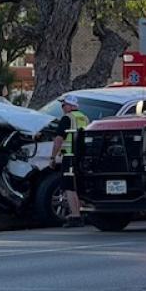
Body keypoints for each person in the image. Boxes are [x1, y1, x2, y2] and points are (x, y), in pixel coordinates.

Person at [52, 93, 90, 224]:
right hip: (82, 158)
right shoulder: (84, 118)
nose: (62, 108)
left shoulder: (67, 119)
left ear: (69, 105)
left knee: (69, 186)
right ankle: (82, 212)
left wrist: (53, 156)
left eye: (63, 105)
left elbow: (58, 139)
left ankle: (75, 215)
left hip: (69, 157)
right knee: (79, 186)